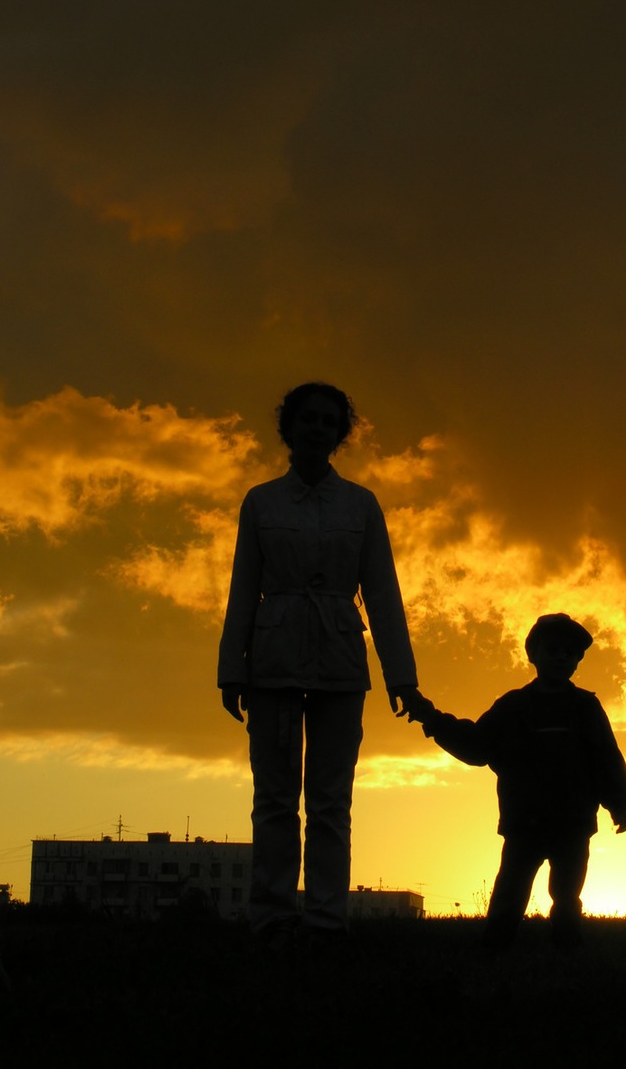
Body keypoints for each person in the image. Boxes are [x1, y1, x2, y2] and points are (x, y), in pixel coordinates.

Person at [218, 381, 424, 947]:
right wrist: (231, 668)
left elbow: (382, 592)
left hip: (339, 659)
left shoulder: (361, 504)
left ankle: (327, 918)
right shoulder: (261, 501)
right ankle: (272, 916)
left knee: (332, 798)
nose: (316, 428)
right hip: (273, 659)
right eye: (307, 418)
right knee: (275, 797)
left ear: (340, 433)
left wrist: (401, 675)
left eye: (327, 420)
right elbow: (242, 588)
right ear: (288, 427)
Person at [408, 614, 626, 950]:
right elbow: (477, 744)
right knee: (511, 891)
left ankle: (567, 951)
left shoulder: (586, 706)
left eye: (569, 653)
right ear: (533, 654)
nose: (560, 657)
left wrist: (619, 803)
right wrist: (433, 719)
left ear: (577, 662)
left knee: (568, 894)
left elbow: (605, 756)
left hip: (572, 822)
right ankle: (494, 950)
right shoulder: (513, 705)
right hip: (524, 822)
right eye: (552, 649)